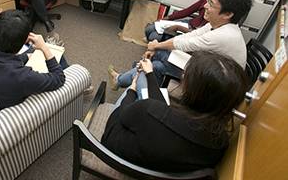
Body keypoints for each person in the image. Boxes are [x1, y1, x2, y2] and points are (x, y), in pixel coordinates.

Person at [102, 51, 248, 173]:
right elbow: (161, 113)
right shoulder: (220, 142)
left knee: (134, 86)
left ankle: (122, 81)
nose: (183, 78)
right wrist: (150, 74)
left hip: (117, 153)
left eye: (186, 76)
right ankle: (124, 79)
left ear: (195, 91)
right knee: (143, 78)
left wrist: (132, 91)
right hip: (160, 169)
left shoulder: (148, 110)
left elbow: (125, 114)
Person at [110, 0, 252, 87]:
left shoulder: (224, 35)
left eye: (211, 4)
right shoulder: (220, 25)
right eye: (208, 1)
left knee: (160, 54)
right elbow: (190, 36)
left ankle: (126, 77)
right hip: (208, 71)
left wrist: (154, 47)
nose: (205, 6)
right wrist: (156, 46)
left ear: (227, 14)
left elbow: (183, 43)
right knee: (157, 66)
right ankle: (128, 80)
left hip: (214, 85)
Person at [0, 10, 66, 109]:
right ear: (25, 41)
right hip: (23, 99)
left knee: (33, 51)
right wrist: (44, 47)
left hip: (1, 87)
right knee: (58, 57)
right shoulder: (23, 77)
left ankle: (51, 46)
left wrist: (27, 56)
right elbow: (59, 78)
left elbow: (6, 58)